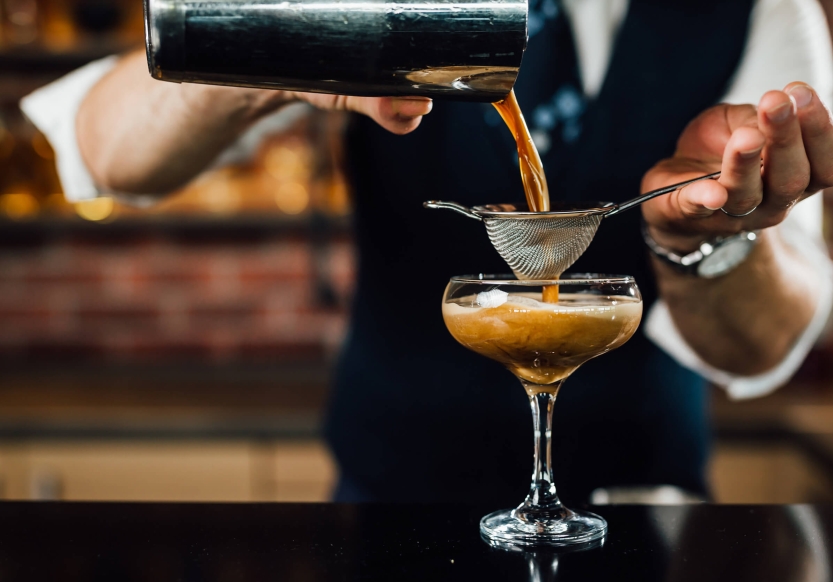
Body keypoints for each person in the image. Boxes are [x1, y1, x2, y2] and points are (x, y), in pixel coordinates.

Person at [21, 0, 833, 504]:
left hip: (641, 508)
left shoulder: (759, 7)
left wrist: (710, 237)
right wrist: (263, 49)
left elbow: (764, 343)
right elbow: (102, 153)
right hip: (387, 502)